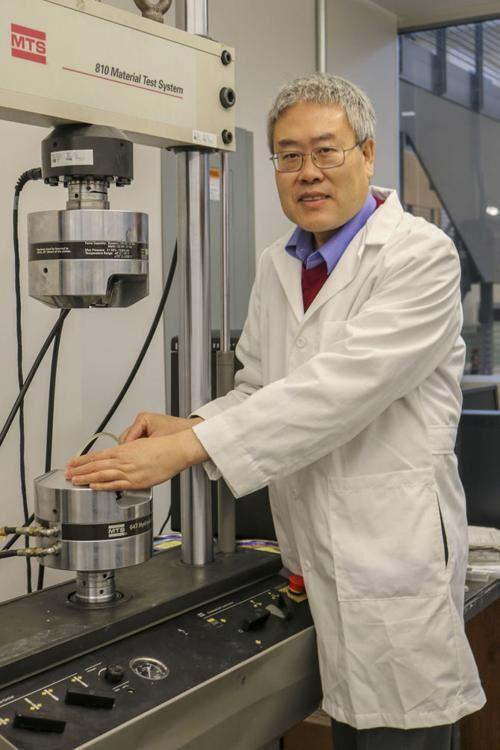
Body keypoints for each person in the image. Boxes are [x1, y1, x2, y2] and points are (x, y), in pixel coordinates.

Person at [66, 73, 485, 748]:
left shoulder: (420, 257)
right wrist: (193, 425)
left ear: (368, 153)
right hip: (314, 557)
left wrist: (188, 451)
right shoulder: (279, 264)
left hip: (393, 558)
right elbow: (262, 389)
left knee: (404, 733)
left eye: (327, 151)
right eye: (288, 156)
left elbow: (339, 392)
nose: (307, 172)